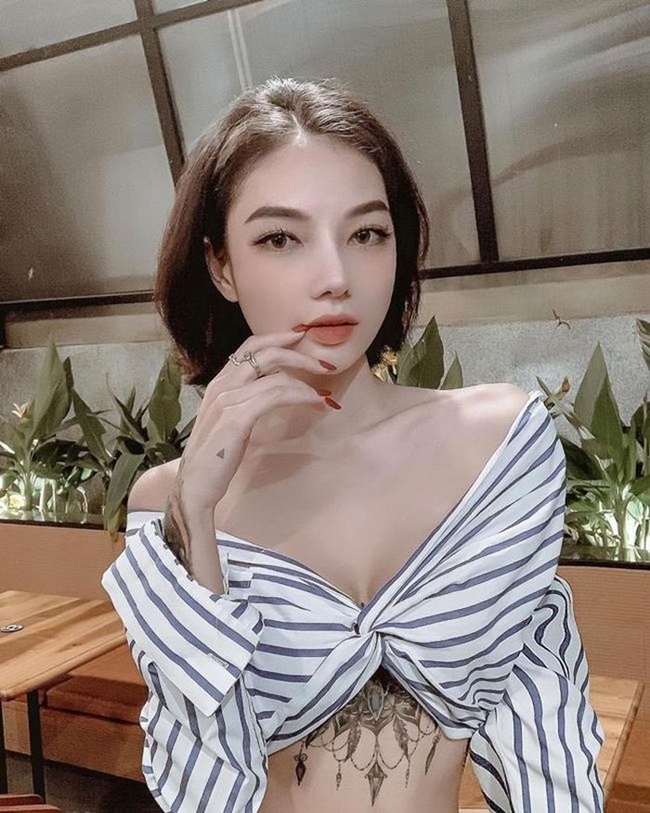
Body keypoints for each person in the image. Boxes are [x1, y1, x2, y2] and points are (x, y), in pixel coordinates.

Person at [101, 77, 604, 813]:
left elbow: (540, 705)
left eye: (366, 233)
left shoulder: (499, 444)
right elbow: (200, 773)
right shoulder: (168, 504)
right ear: (221, 266)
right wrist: (195, 515)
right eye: (280, 239)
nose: (335, 279)